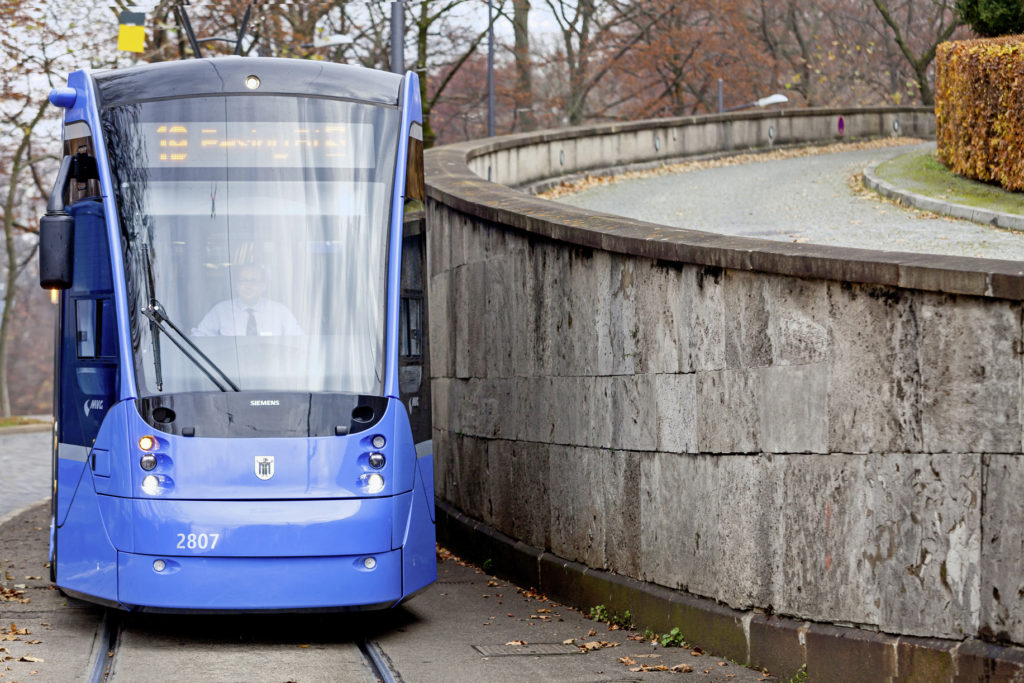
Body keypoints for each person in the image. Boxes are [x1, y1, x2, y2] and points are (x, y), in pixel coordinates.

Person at [192, 264, 302, 336]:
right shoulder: (221, 311)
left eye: (253, 281)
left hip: (272, 368)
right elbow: (198, 338)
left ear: (263, 286)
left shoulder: (280, 311)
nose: (247, 286)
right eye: (243, 281)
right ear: (236, 285)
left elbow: (299, 340)